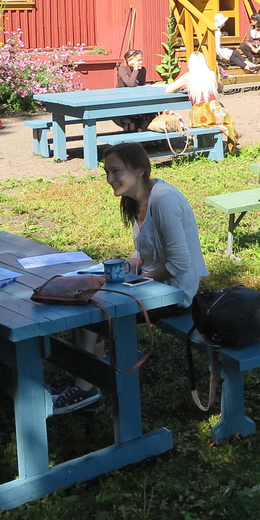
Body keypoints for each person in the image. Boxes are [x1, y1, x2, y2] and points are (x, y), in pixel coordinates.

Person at [53, 143, 208, 414]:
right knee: (84, 301)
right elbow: (143, 250)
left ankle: (86, 388)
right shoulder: (137, 200)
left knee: (94, 310)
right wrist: (126, 267)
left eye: (116, 171)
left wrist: (137, 280)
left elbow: (179, 264)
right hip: (153, 286)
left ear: (139, 170)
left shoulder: (164, 199)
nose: (110, 179)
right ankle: (88, 376)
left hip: (175, 293)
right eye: (107, 172)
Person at [164, 51, 239, 153]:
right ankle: (233, 137)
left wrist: (184, 87)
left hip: (199, 116)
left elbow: (168, 90)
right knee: (222, 111)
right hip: (215, 113)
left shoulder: (188, 77)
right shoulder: (211, 74)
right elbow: (221, 87)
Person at [113, 49, 154, 132]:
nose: (141, 62)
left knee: (151, 110)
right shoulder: (122, 69)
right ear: (130, 61)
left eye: (141, 60)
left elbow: (141, 86)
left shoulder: (143, 70)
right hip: (122, 101)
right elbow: (130, 84)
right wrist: (135, 69)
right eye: (138, 60)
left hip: (136, 99)